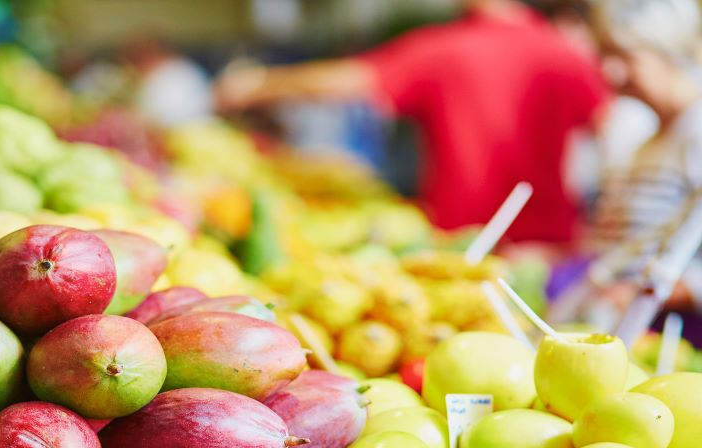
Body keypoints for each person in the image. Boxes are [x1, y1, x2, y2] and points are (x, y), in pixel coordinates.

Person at [215, 0, 609, 245]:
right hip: (553, 240)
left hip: (461, 241)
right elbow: (604, 127)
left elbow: (351, 80)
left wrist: (256, 85)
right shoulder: (564, 52)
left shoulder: (444, 48)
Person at [563, 0, 702, 337]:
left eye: (623, 55)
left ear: (667, 49)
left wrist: (636, 294)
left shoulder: (696, 133)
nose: (609, 70)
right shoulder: (647, 144)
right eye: (603, 55)